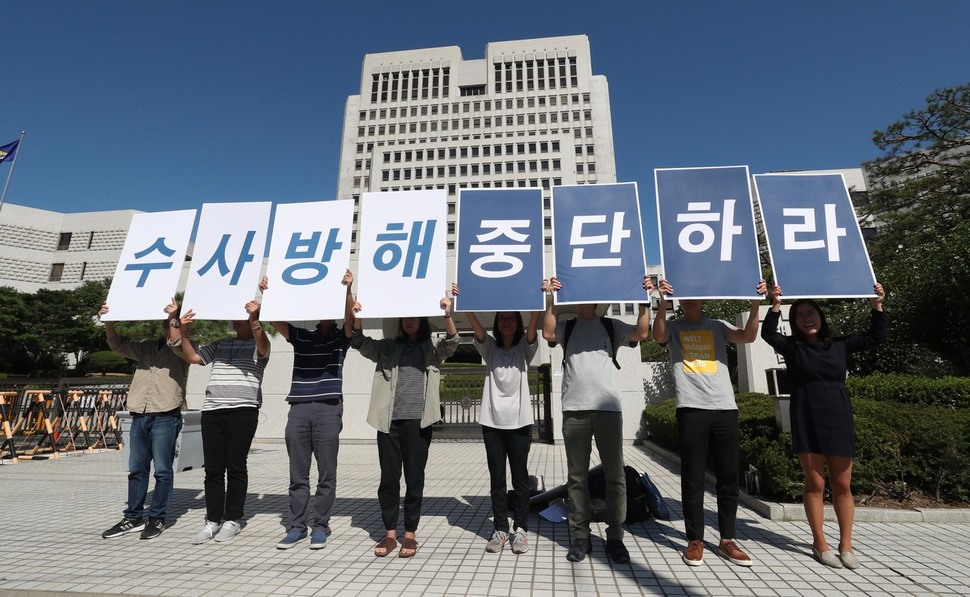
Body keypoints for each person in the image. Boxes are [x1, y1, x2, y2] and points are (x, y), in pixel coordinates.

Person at [761, 283, 885, 570]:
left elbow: (876, 336)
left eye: (811, 312)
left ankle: (846, 544)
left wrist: (876, 305)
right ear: (794, 322)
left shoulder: (839, 344)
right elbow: (768, 333)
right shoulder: (792, 347)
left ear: (820, 316)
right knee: (815, 482)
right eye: (800, 314)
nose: (807, 317)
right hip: (806, 412)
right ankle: (820, 542)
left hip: (837, 413)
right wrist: (776, 303)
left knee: (842, 484)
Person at [652, 278, 767, 568]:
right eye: (685, 297)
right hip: (691, 409)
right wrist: (662, 303)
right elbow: (658, 336)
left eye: (696, 296)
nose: (691, 301)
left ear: (704, 300)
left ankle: (727, 539)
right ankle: (695, 540)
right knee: (692, 478)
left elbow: (748, 337)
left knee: (729, 478)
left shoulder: (718, 325)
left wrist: (755, 306)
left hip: (725, 408)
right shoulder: (675, 327)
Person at [541, 275, 652, 564]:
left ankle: (615, 537)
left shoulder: (609, 325)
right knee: (576, 478)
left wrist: (644, 305)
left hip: (607, 410)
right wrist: (552, 298)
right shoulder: (568, 326)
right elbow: (548, 333)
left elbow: (641, 334)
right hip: (574, 409)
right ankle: (581, 536)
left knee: (616, 476)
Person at [350, 293, 459, 558]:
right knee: (388, 479)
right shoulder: (387, 347)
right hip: (388, 423)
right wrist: (356, 315)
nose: (409, 322)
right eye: (405, 318)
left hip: (418, 423)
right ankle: (389, 534)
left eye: (414, 317)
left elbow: (453, 341)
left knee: (414, 478)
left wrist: (447, 314)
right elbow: (358, 341)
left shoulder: (431, 349)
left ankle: (410, 533)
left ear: (421, 321)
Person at [259, 271, 356, 550]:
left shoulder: (342, 338)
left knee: (327, 472)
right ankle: (296, 526)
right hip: (298, 408)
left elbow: (352, 319)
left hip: (328, 408)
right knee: (297, 473)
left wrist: (348, 290)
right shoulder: (302, 336)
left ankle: (320, 526)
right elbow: (274, 319)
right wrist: (268, 292)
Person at [167, 298, 270, 545]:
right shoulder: (222, 344)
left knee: (236, 465)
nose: (235, 320)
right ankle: (212, 520)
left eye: (240, 316)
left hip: (243, 411)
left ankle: (232, 519)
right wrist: (182, 327)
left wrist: (255, 319)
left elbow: (264, 346)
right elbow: (193, 358)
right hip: (212, 411)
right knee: (213, 469)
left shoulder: (259, 344)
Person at [452, 282, 540, 555]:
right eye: (502, 319)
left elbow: (535, 325)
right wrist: (461, 300)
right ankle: (501, 529)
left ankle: (521, 530)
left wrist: (541, 297)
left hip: (519, 423)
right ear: (497, 323)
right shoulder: (488, 348)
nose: (505, 322)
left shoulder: (525, 349)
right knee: (497, 479)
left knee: (521, 478)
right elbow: (476, 328)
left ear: (517, 323)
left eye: (510, 319)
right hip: (491, 423)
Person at [99, 300, 189, 541]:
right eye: (167, 321)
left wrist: (175, 319)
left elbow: (177, 343)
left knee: (162, 470)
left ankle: (157, 517)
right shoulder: (147, 347)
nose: (168, 325)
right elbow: (117, 345)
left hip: (166, 415)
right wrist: (108, 320)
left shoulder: (186, 347)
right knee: (137, 469)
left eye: (173, 322)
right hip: (139, 413)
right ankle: (133, 517)